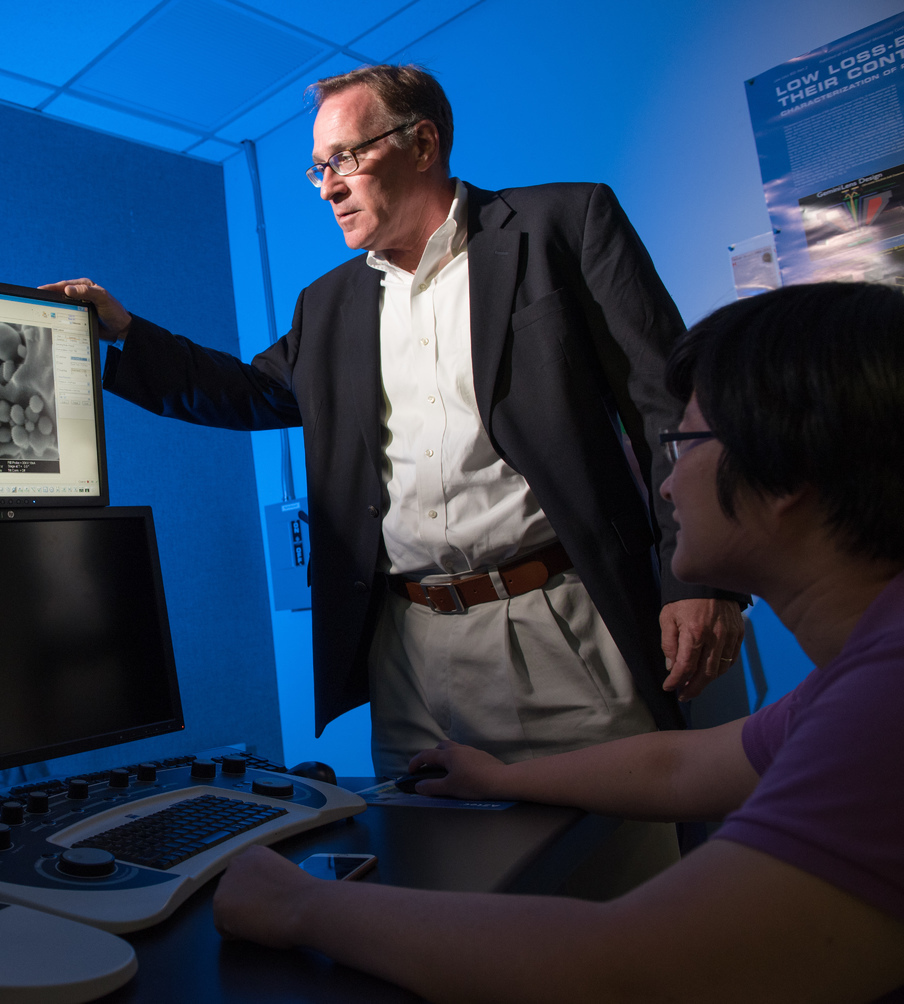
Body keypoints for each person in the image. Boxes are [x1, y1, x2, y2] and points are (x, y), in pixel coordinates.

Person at [211, 281, 904, 1002]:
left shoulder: (886, 704)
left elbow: (630, 963)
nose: (664, 486)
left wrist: (301, 905)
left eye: (686, 441)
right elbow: (681, 767)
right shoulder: (867, 672)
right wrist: (503, 779)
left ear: (787, 470)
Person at [44, 64, 743, 776]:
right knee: (431, 871)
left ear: (423, 142)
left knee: (608, 866)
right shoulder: (329, 304)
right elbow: (252, 392)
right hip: (407, 654)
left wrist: (703, 581)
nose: (328, 187)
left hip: (559, 622)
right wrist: (125, 331)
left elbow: (673, 405)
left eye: (343, 159)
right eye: (317, 170)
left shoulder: (563, 225)